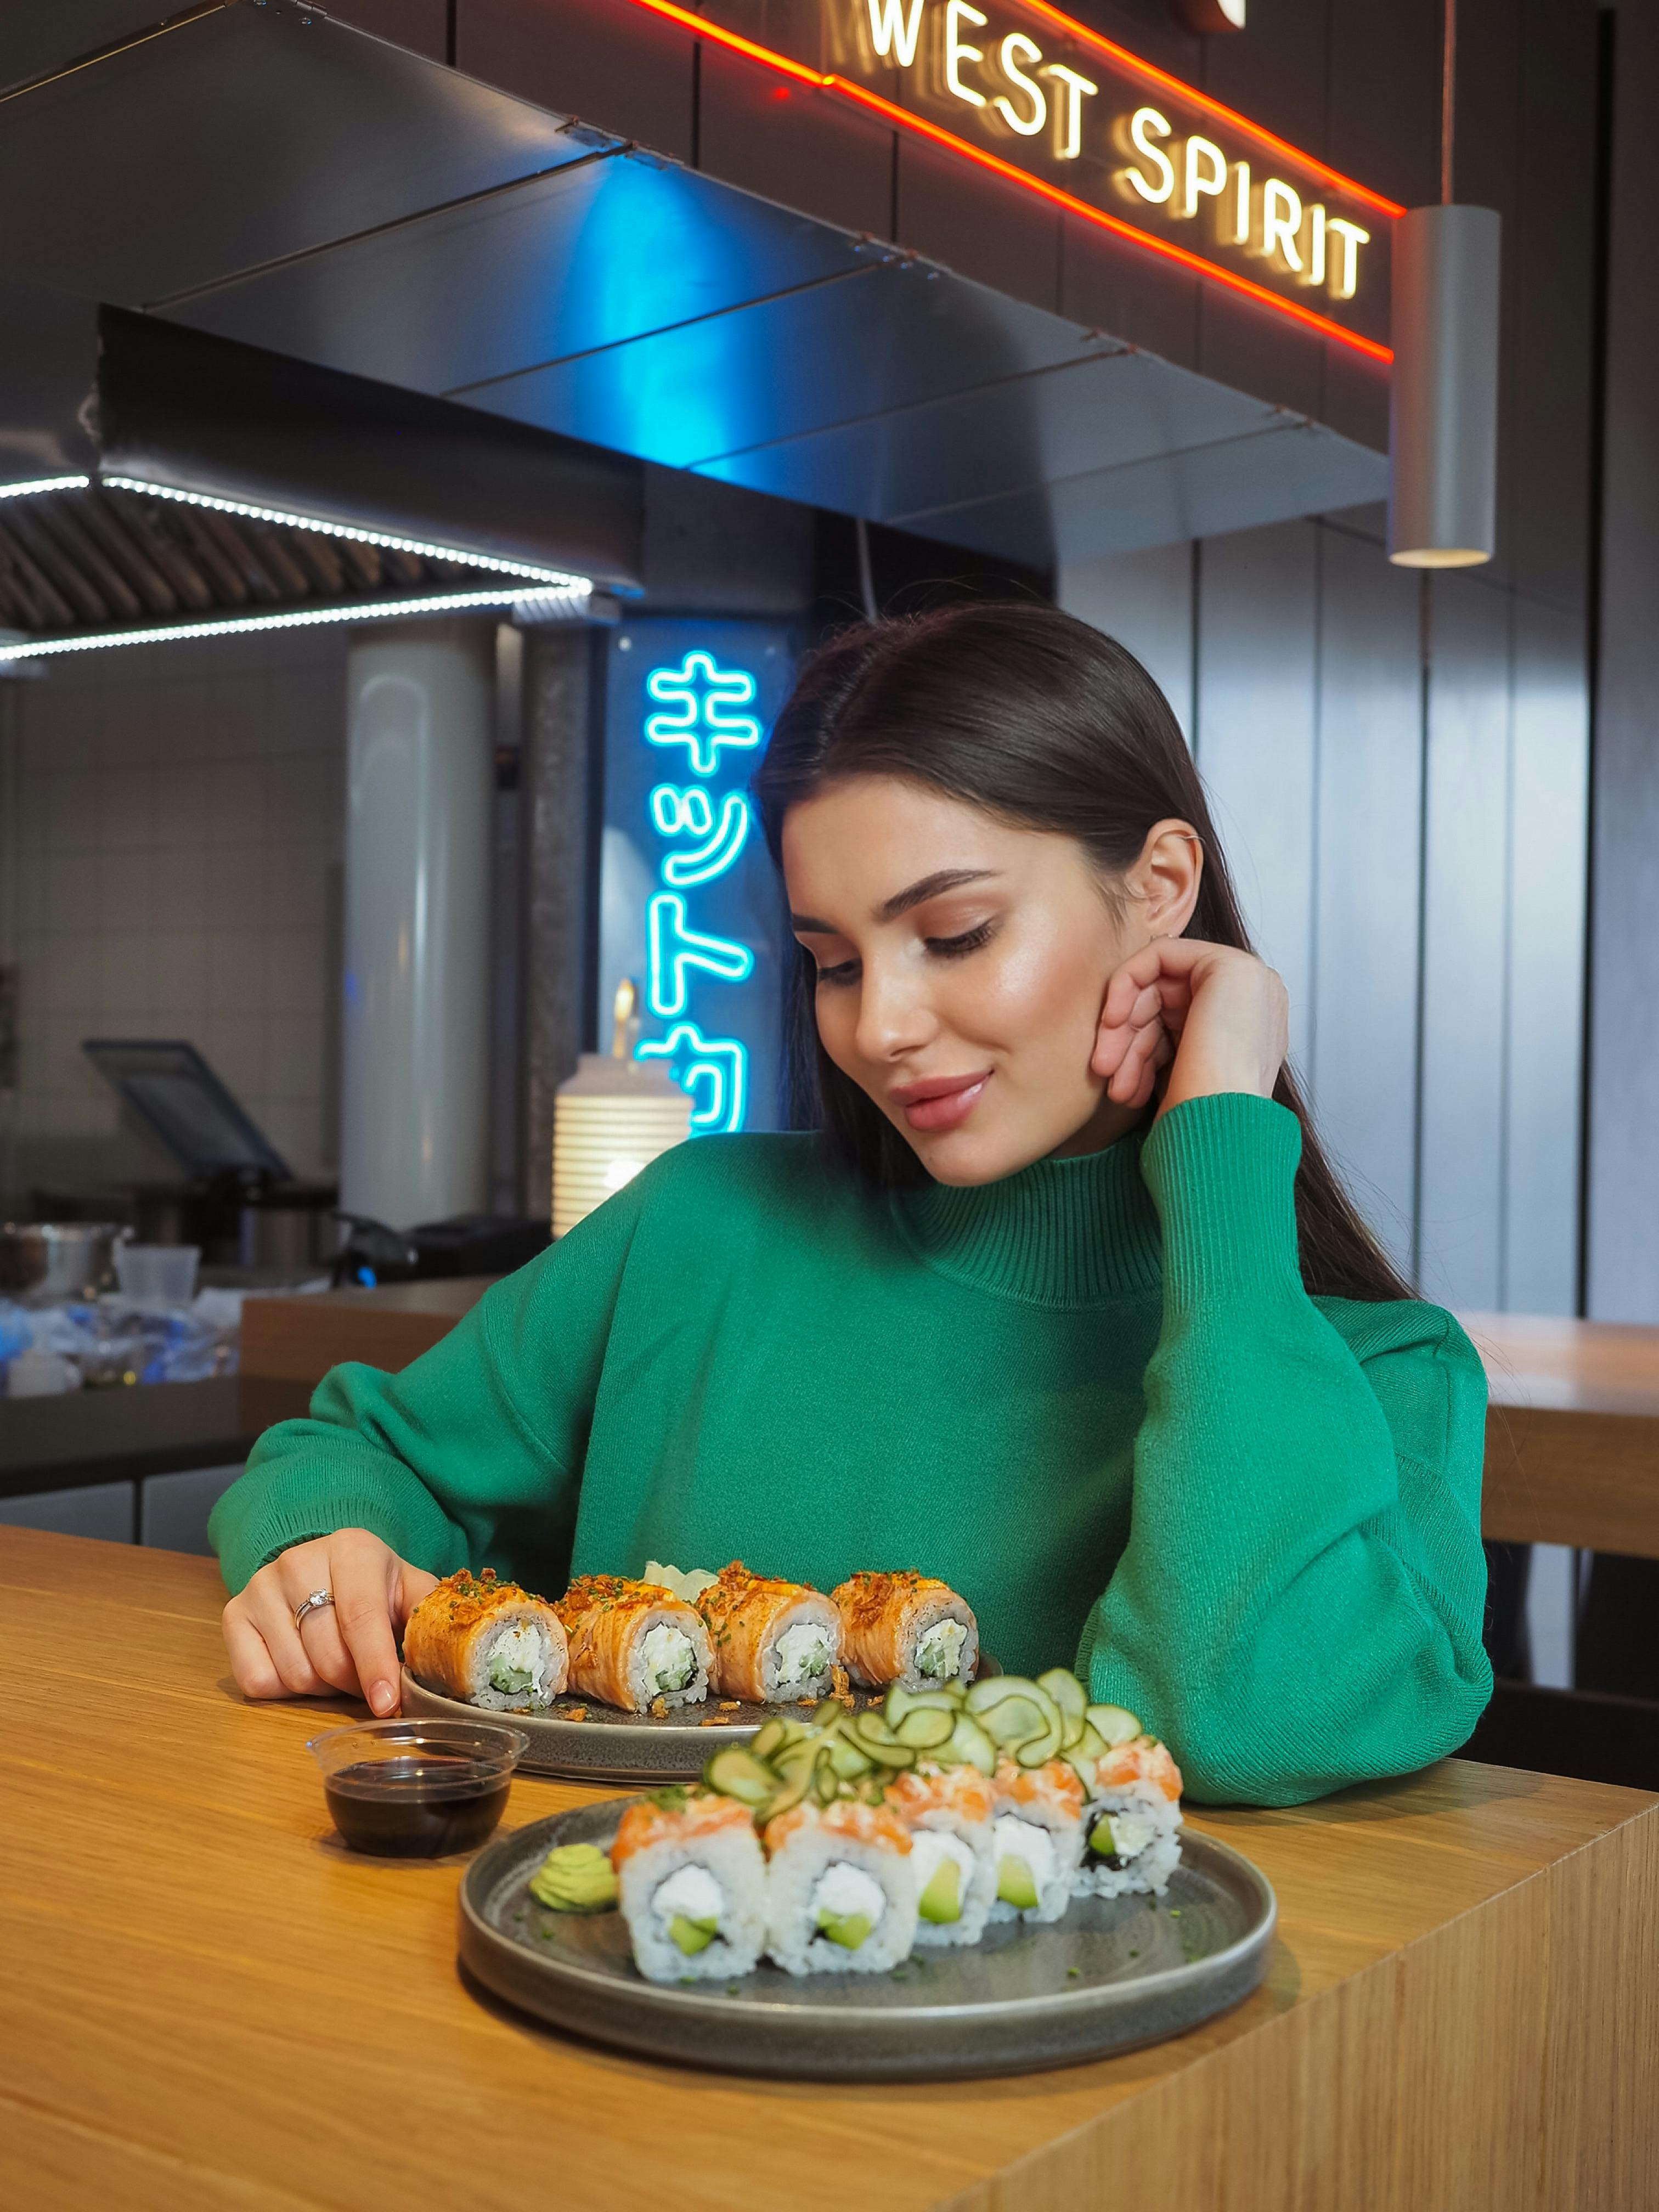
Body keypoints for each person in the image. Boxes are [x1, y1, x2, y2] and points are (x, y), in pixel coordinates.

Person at [211, 602, 1491, 1805]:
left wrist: (1222, 1138)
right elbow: (349, 1453)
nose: (876, 1028)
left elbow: (1226, 1713)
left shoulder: (1386, 1378)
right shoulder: (700, 1230)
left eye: (955, 933)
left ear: (1159, 888)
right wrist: (322, 1553)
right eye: (831, 962)